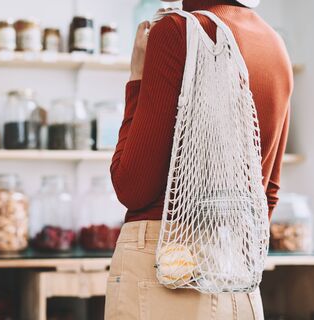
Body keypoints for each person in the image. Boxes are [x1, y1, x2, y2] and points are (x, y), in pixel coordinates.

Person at [105, 0, 292, 319]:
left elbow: (132, 187)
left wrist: (137, 79)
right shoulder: (274, 43)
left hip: (165, 270)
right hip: (238, 277)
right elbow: (268, 191)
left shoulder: (177, 31)